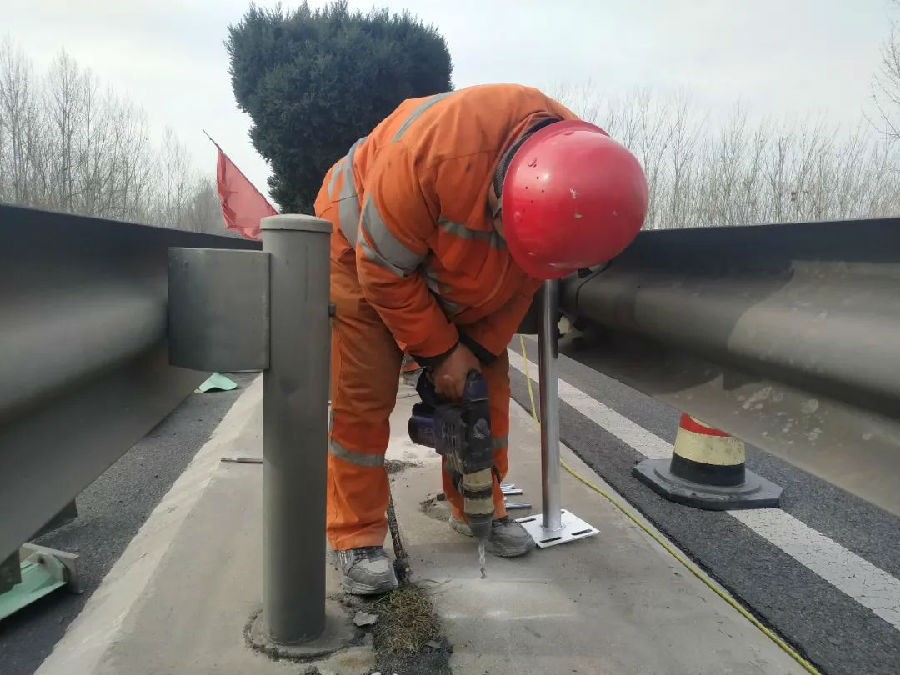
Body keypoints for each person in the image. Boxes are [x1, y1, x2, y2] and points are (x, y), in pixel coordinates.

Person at [314, 83, 648, 594]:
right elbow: (382, 270)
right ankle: (355, 534)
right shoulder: (427, 155)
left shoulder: (577, 174)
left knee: (483, 389)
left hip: (462, 255)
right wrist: (441, 352)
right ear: (502, 196)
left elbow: (523, 279)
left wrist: (474, 355)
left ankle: (476, 509)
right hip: (360, 245)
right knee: (363, 395)